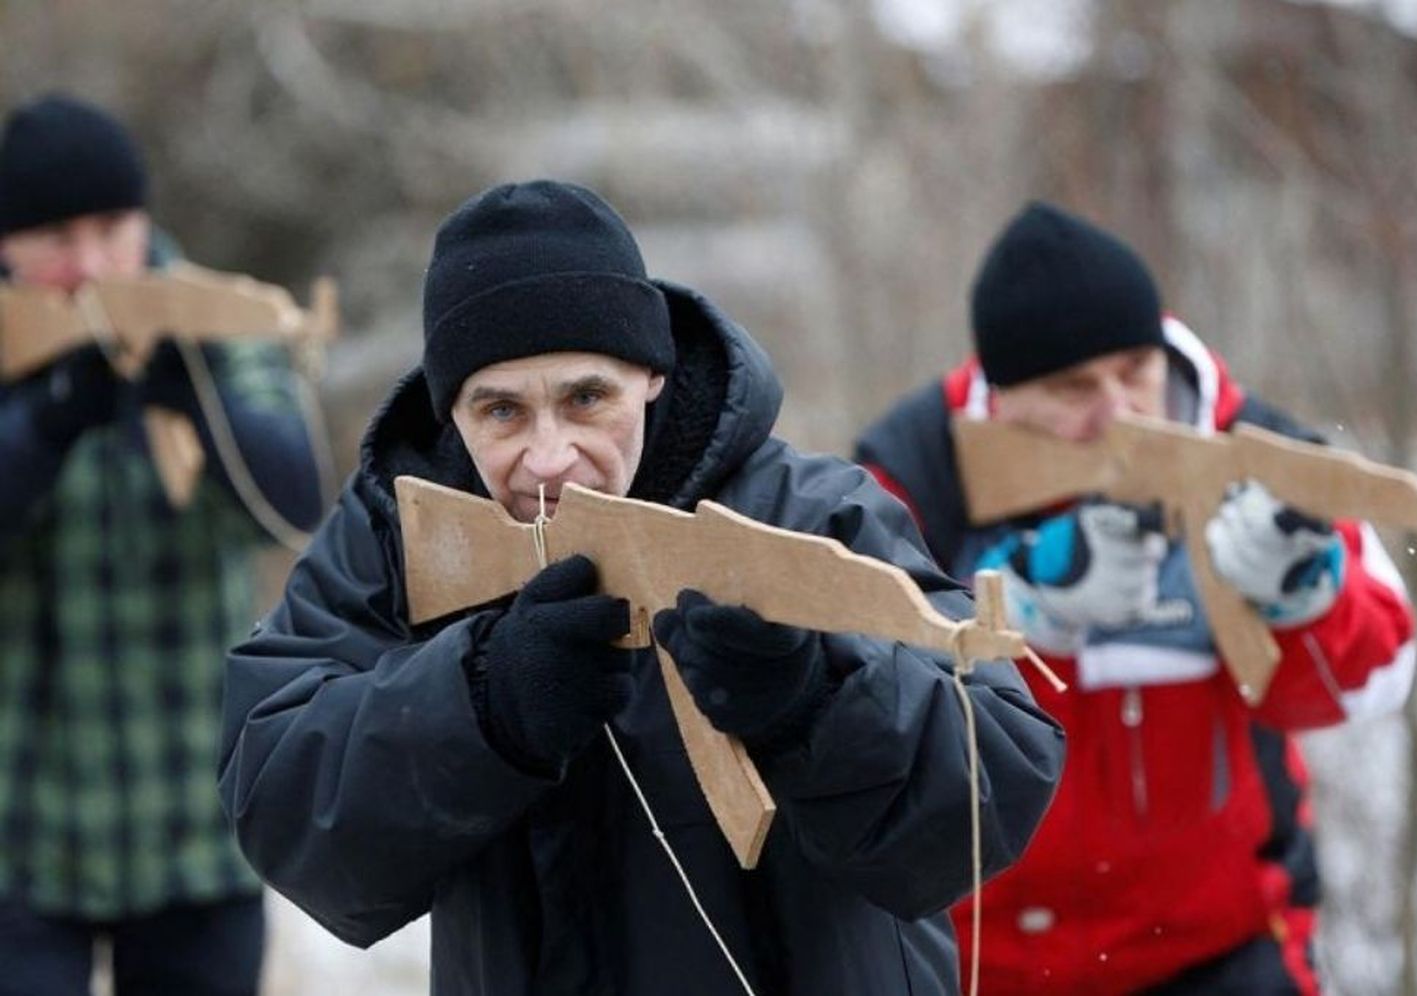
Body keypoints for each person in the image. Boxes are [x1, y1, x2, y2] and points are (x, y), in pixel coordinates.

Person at [216, 179, 1066, 995]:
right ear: (451, 416)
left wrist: (815, 700)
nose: (549, 457)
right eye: (501, 411)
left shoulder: (810, 514)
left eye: (588, 399)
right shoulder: (398, 541)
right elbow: (280, 791)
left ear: (653, 375)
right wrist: (485, 704)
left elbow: (993, 781)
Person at [855, 201, 1417, 994]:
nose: (1119, 411)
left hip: (1219, 948)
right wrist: (1014, 610)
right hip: (988, 961)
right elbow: (855, 698)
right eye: (1074, 387)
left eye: (1133, 370)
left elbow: (1380, 677)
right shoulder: (915, 474)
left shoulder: (1257, 447)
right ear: (1002, 395)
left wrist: (1303, 598)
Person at [0, 93, 327, 995]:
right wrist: (53, 417)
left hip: (194, 829)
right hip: (19, 836)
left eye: (112, 228)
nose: (92, 263)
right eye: (57, 239)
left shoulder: (215, 320)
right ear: (9, 248)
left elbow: (292, 503)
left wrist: (190, 395)